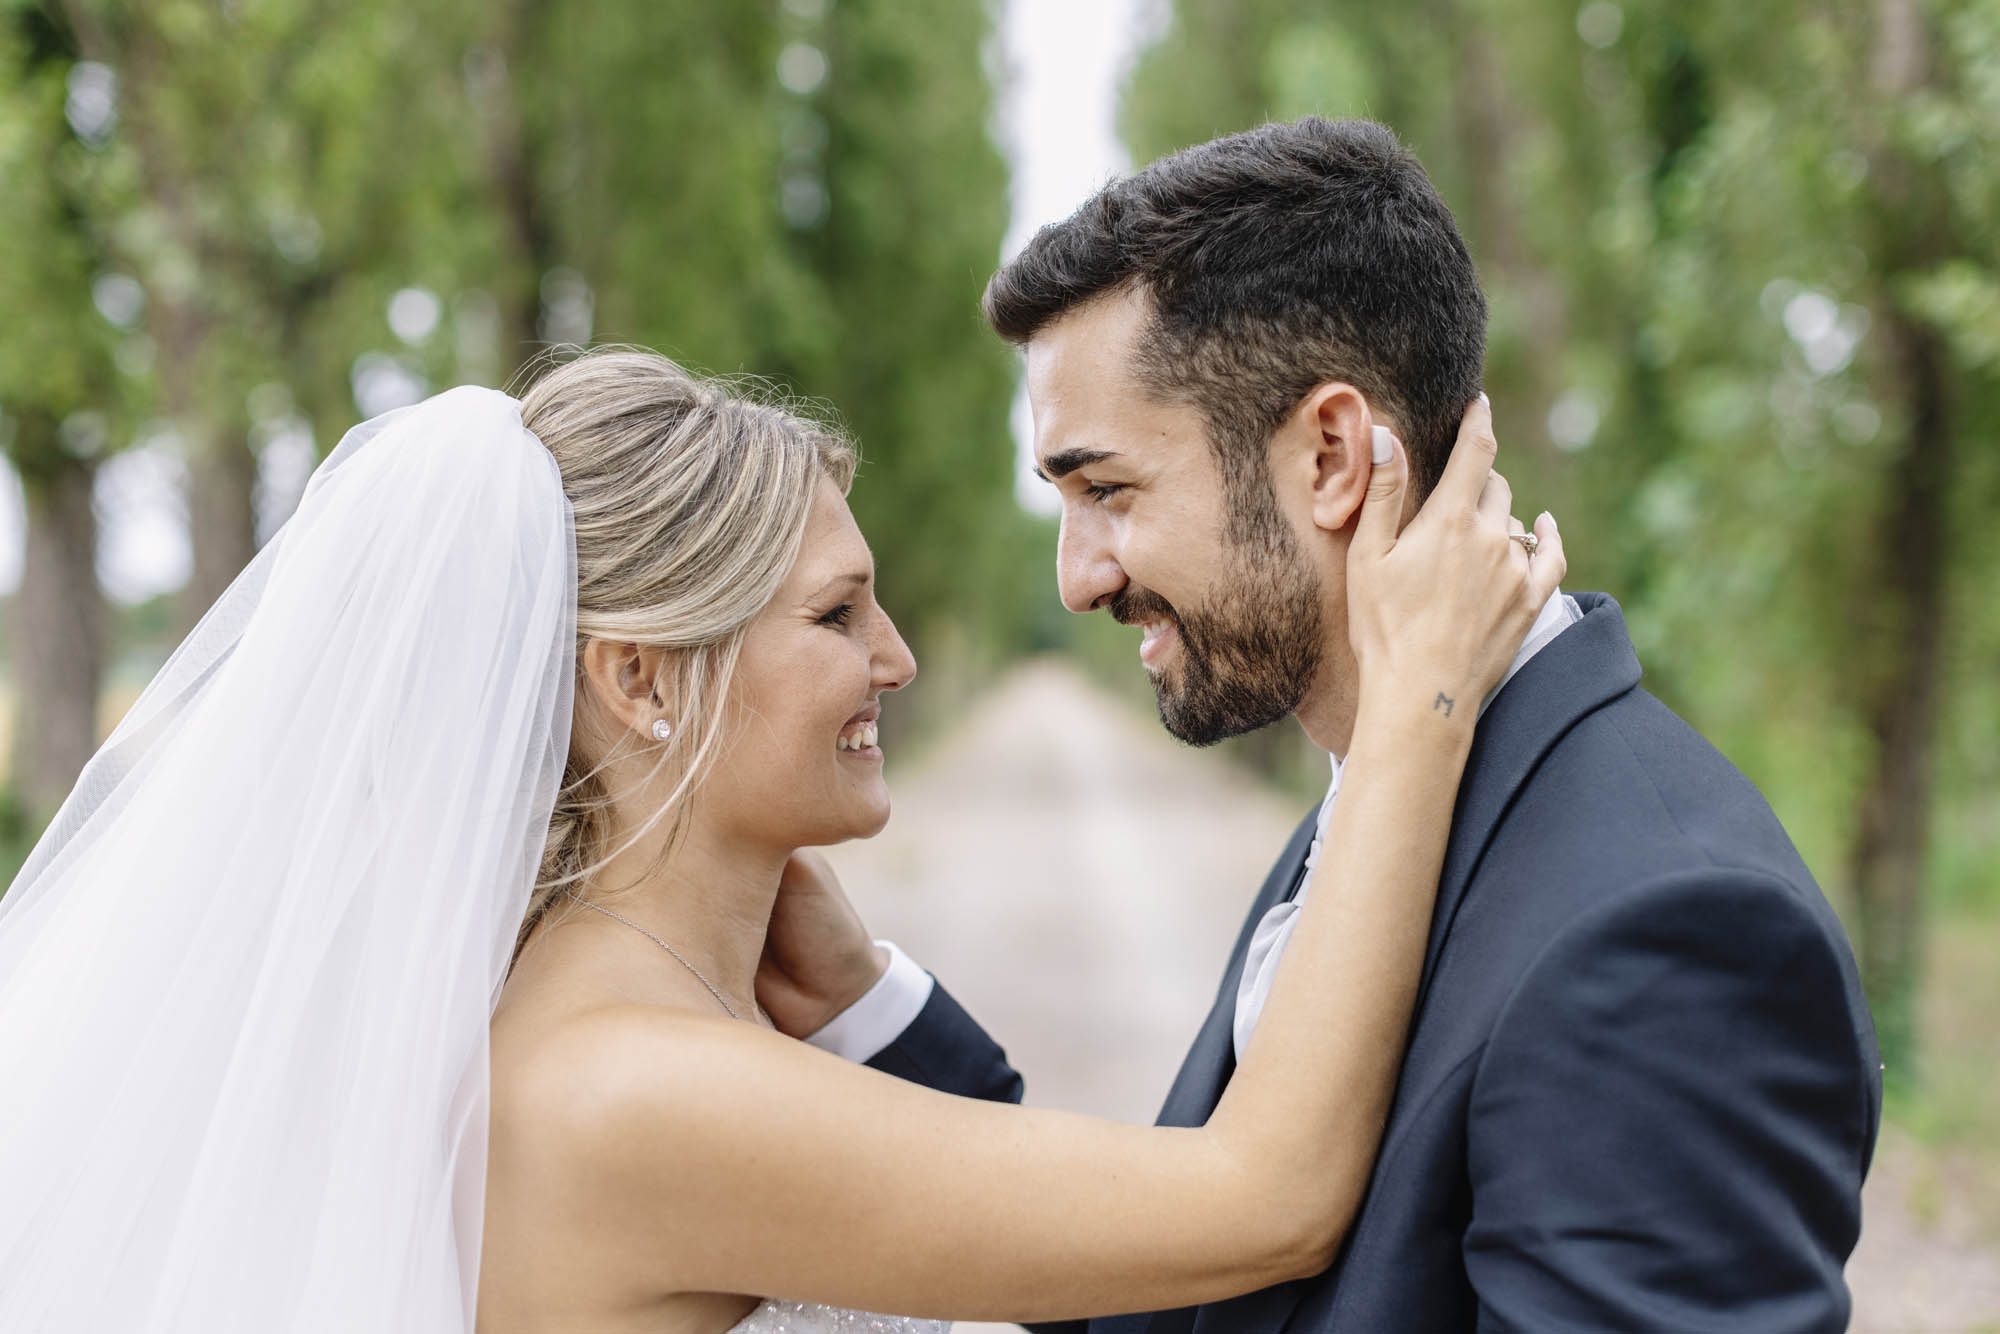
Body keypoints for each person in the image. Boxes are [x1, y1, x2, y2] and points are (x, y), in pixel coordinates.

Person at [0, 343, 1557, 1331]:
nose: (899, 659)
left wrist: (861, 985)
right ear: (637, 681)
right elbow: (1263, 1197)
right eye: (836, 613)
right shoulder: (638, 1089)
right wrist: (1423, 695)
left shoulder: (629, 1024)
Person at [777, 118, 1884, 1332]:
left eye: (1106, 491)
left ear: (1329, 456)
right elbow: (1181, 1287)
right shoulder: (1385, 795)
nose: (1076, 579)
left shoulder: (1663, 933)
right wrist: (865, 1003)